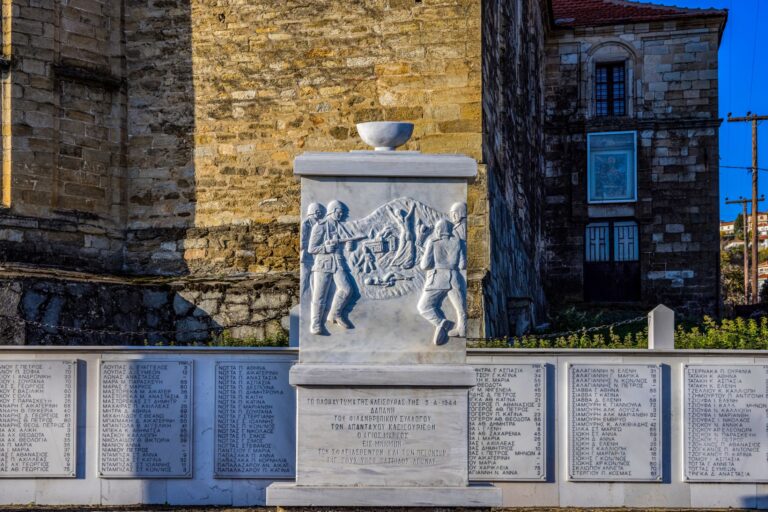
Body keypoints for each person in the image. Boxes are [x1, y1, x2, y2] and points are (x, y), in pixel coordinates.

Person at [307, 200, 355, 335]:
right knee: (319, 295)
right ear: (333, 211)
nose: (343, 215)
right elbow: (311, 248)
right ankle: (316, 324)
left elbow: (344, 244)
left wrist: (349, 246)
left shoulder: (340, 226)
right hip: (323, 264)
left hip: (338, 263)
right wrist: (325, 248)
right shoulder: (320, 226)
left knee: (346, 289)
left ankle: (334, 314)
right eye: (340, 212)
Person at [417, 219, 467, 345]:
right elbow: (462, 265)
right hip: (456, 277)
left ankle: (442, 323)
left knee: (424, 307)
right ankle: (462, 330)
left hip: (438, 278)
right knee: (460, 308)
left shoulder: (433, 242)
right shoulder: (459, 242)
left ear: (438, 230)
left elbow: (425, 265)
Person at [300, 203, 326, 295]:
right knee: (304, 278)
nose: (322, 214)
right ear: (316, 212)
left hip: (317, 256)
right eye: (321, 212)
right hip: (307, 256)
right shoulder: (306, 223)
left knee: (315, 279)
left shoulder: (319, 223)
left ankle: (312, 298)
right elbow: (302, 241)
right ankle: (303, 296)